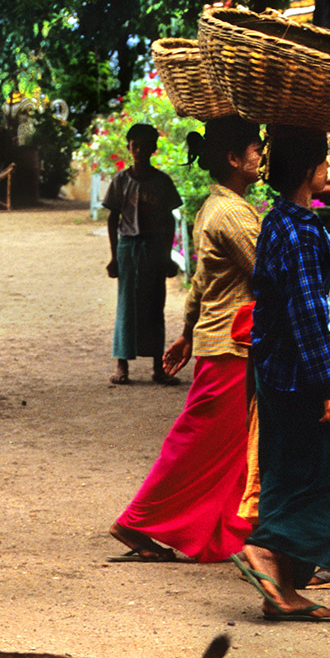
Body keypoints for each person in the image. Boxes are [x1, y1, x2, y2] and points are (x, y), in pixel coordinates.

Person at [231, 125, 330, 622]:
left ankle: (283, 589)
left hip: (273, 366)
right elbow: (305, 314)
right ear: (310, 171)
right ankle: (269, 550)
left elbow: (296, 300)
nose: (328, 170)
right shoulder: (301, 231)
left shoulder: (279, 221)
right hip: (301, 373)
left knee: (288, 470)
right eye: (324, 161)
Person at [108, 117, 262, 564]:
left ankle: (249, 530)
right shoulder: (232, 214)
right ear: (233, 159)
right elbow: (271, 274)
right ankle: (137, 520)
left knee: (228, 446)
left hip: (223, 338)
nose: (259, 155)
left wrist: (185, 334)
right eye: (254, 148)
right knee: (198, 441)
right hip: (231, 342)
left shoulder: (218, 208)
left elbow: (199, 283)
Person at [103, 123, 183, 385]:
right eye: (134, 145)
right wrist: (114, 257)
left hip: (155, 249)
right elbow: (113, 219)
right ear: (128, 148)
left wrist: (168, 255)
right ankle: (122, 364)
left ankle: (157, 368)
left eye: (144, 145)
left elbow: (170, 221)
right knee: (126, 305)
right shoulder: (120, 181)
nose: (138, 150)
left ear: (153, 149)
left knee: (154, 304)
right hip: (128, 248)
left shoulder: (161, 182)